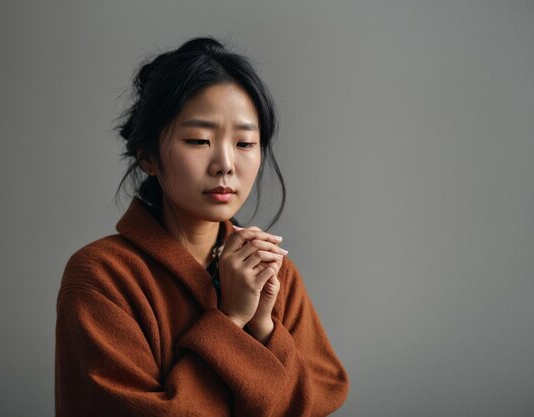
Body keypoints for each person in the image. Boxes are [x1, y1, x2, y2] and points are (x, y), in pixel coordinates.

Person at [55, 37, 348, 416]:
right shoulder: (101, 276)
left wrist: (263, 328)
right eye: (199, 140)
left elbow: (316, 401)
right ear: (148, 157)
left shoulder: (273, 273)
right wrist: (230, 320)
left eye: (245, 143)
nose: (225, 163)